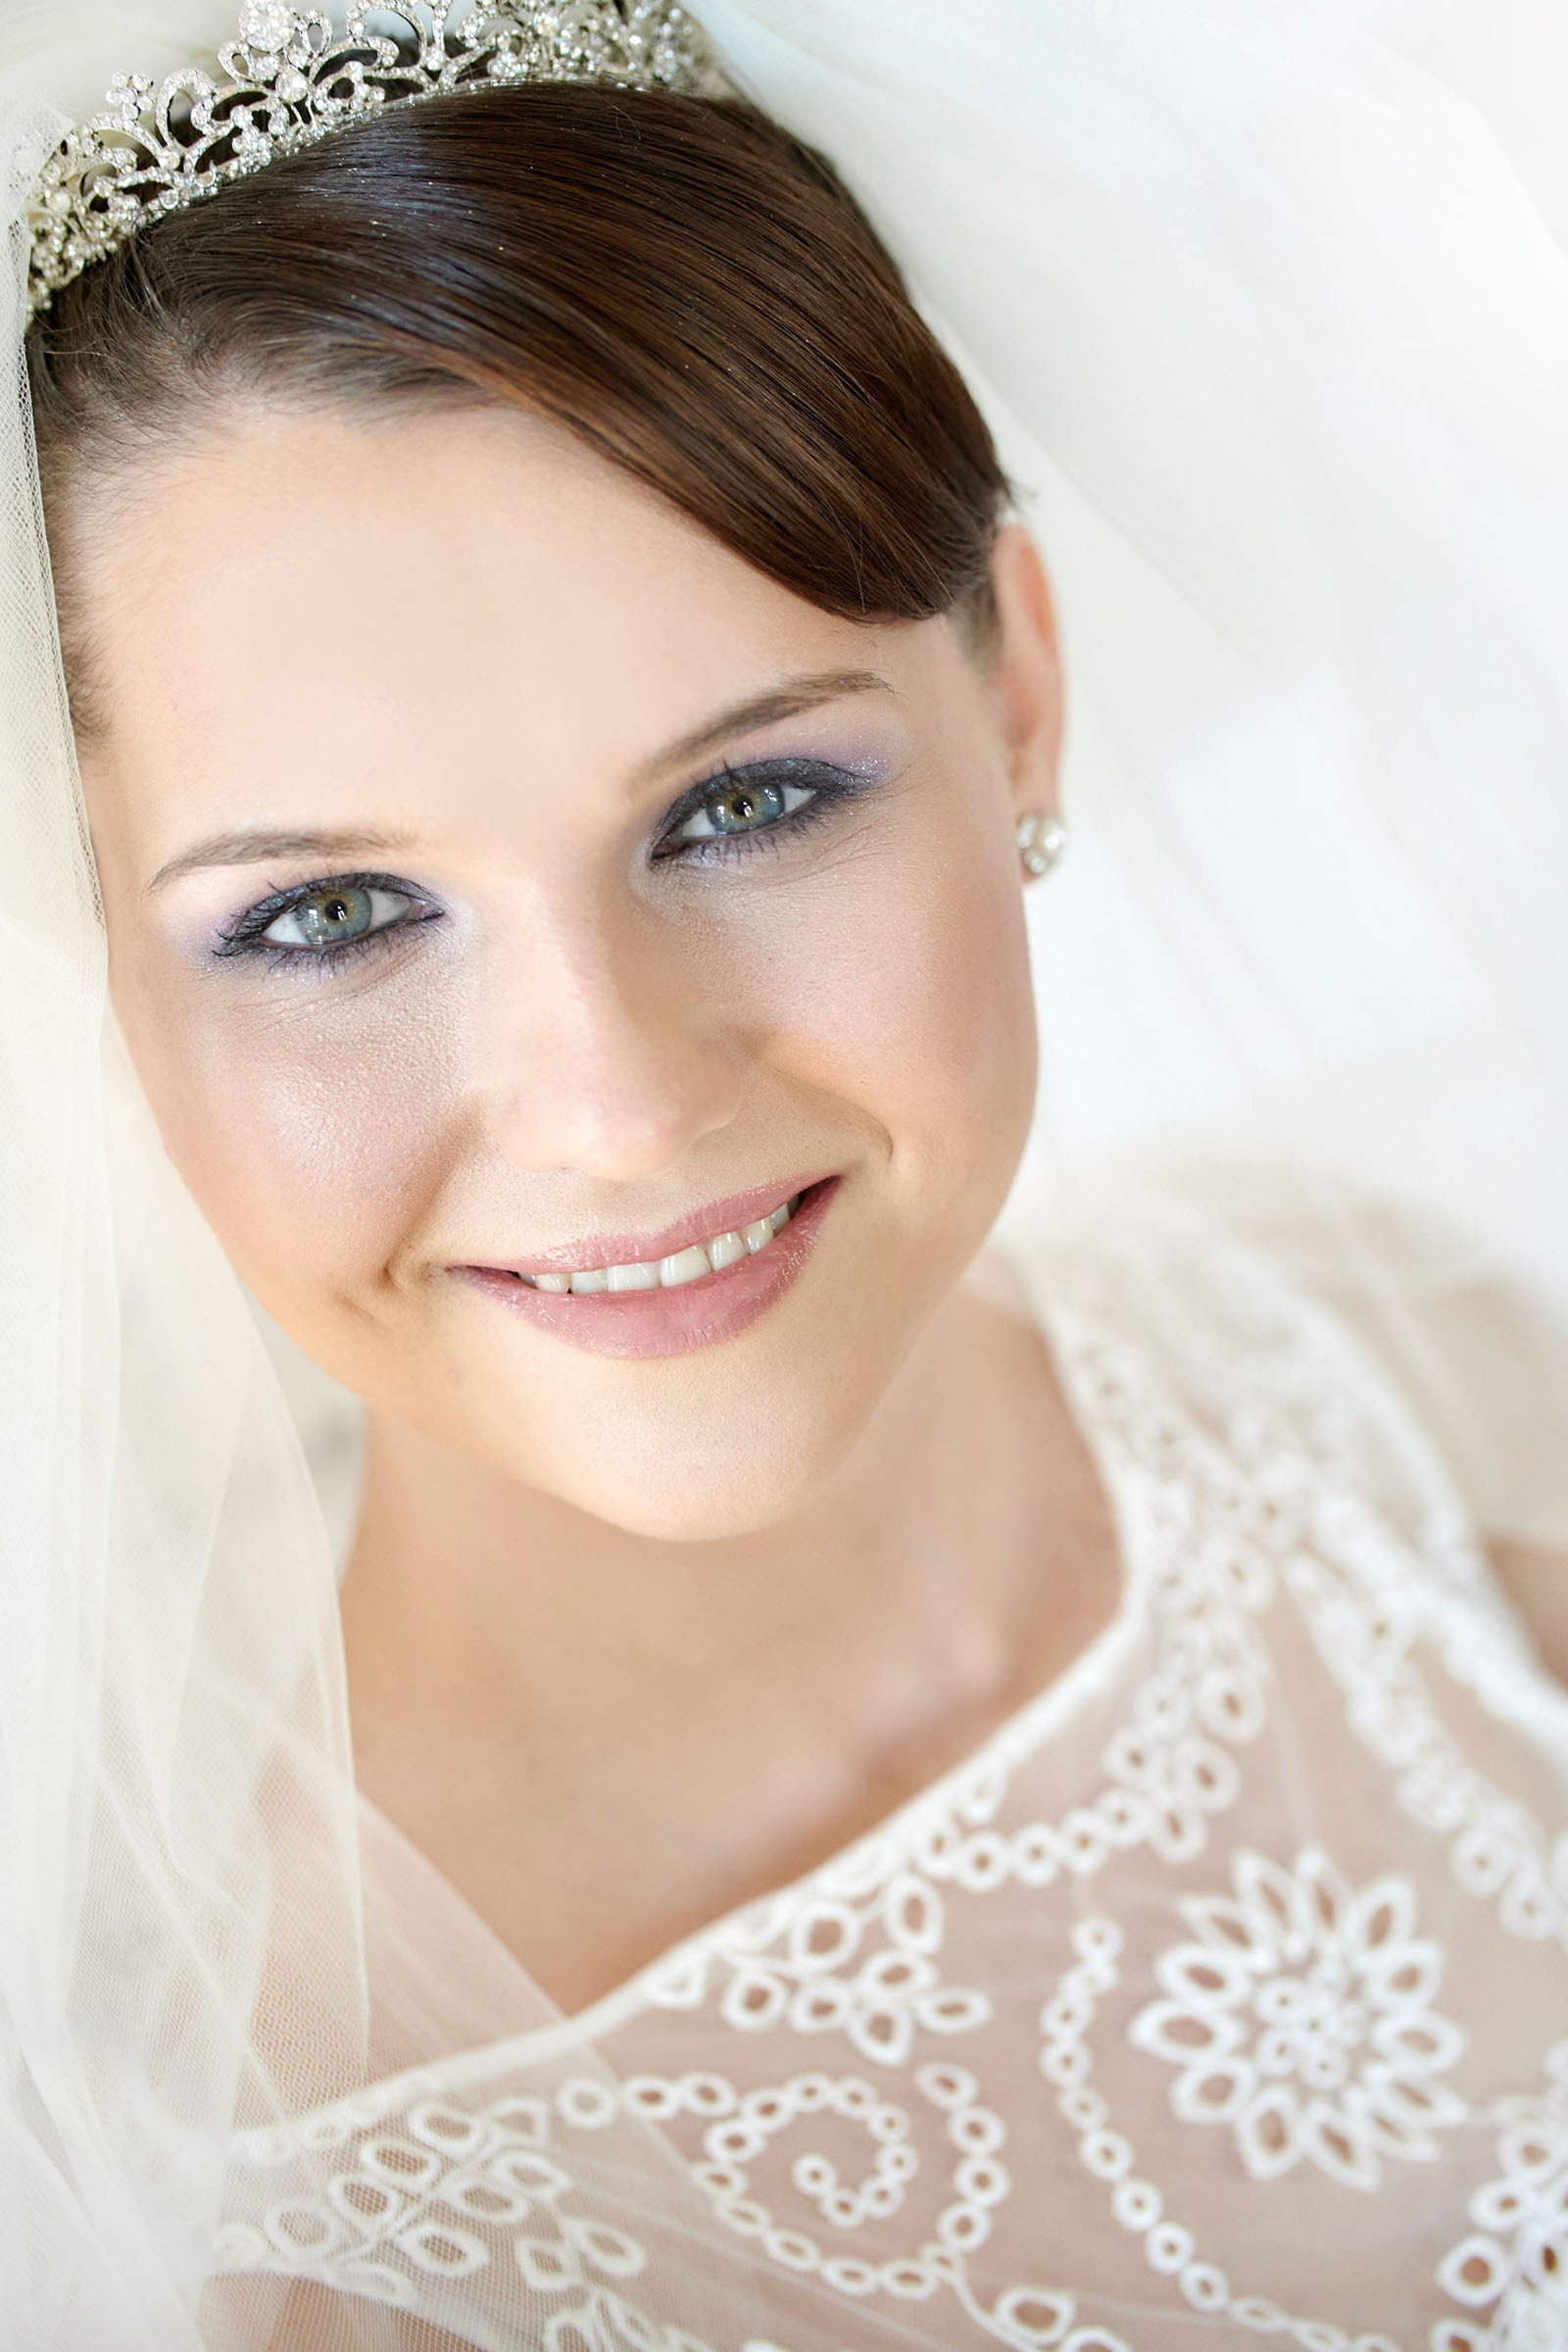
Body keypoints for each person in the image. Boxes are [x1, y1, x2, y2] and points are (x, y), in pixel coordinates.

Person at [3, 2, 1567, 2346]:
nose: (620, 1102)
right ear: (89, 969)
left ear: (1015, 690)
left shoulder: (1430, 1395)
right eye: (323, 917)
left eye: (744, 804)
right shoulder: (194, 2239)